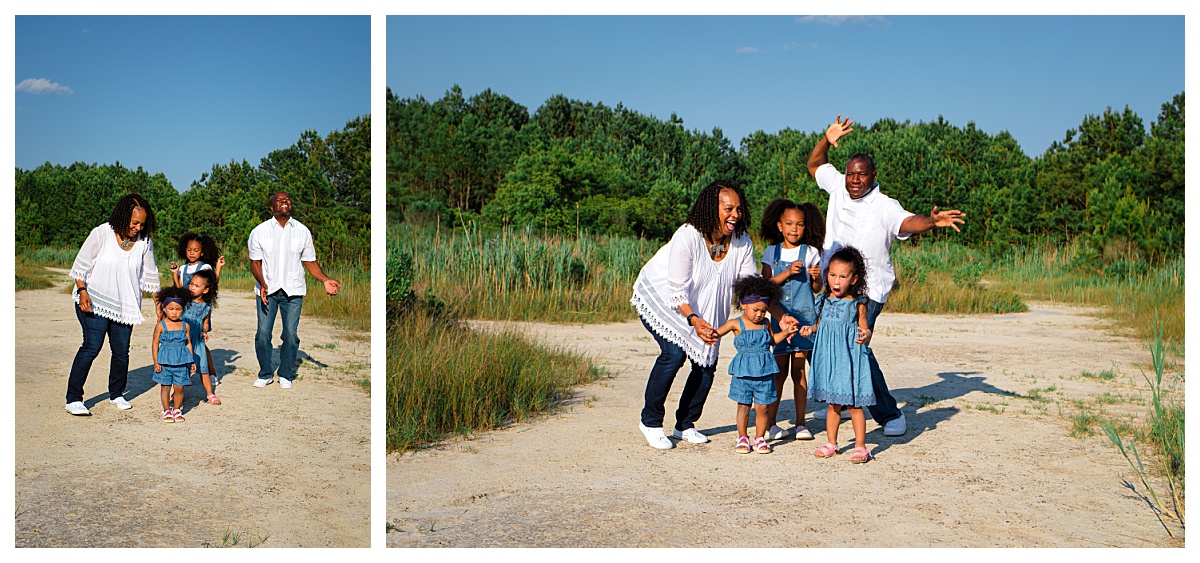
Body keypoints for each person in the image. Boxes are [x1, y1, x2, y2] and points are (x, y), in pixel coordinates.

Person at [807, 115, 966, 436]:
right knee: (822, 340)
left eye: (861, 174)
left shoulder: (884, 205)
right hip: (834, 284)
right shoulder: (838, 186)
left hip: (868, 289)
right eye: (851, 173)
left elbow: (907, 222)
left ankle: (890, 414)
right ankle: (842, 398)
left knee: (856, 346)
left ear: (873, 176)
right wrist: (826, 139)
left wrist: (931, 222)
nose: (854, 180)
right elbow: (814, 164)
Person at [630, 180, 797, 450]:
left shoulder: (741, 241)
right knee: (674, 355)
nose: (735, 215)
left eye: (739, 209)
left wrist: (780, 316)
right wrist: (693, 319)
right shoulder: (689, 235)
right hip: (666, 299)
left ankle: (685, 424)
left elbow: (753, 288)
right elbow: (676, 289)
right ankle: (650, 421)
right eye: (728, 209)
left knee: (706, 364)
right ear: (711, 208)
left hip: (705, 308)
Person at [65, 194, 161, 416]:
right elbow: (81, 266)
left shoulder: (145, 242)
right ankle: (74, 399)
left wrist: (158, 304)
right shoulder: (102, 233)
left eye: (142, 224)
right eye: (134, 223)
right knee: (92, 346)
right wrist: (82, 291)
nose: (138, 228)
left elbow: (151, 275)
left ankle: (116, 394)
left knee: (121, 352)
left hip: (124, 305)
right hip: (94, 300)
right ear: (123, 216)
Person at [248, 191, 342, 389]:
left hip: (293, 291)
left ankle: (285, 374)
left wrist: (325, 280)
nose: (284, 202)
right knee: (263, 333)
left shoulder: (302, 231)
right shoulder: (259, 231)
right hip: (267, 291)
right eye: (279, 200)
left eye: (287, 199)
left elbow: (310, 261)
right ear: (272, 208)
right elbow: (255, 263)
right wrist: (263, 283)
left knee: (290, 334)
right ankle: (265, 373)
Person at [800, 247, 875, 463]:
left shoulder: (857, 304)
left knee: (854, 405)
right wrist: (810, 329)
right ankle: (831, 443)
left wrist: (866, 335)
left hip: (848, 361)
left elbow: (865, 329)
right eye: (832, 275)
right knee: (832, 404)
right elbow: (820, 325)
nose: (836, 281)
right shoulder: (824, 300)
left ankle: (861, 446)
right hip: (829, 360)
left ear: (854, 279)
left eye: (843, 276)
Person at [759, 199, 824, 441]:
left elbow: (816, 288)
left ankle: (800, 423)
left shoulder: (811, 252)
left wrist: (816, 277)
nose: (794, 229)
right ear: (779, 226)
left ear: (805, 227)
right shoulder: (771, 252)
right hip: (780, 317)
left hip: (804, 317)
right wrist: (787, 272)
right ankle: (771, 424)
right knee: (778, 373)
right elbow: (766, 286)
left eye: (799, 224)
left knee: (799, 371)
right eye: (789, 224)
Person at [713, 276, 798, 454]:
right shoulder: (735, 323)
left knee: (763, 407)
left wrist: (786, 332)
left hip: (765, 373)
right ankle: (742, 437)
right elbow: (717, 333)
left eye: (763, 311)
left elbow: (772, 340)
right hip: (743, 374)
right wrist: (708, 333)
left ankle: (760, 438)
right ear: (743, 304)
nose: (759, 314)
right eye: (755, 310)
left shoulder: (765, 324)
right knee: (743, 407)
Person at [168, 233, 223, 386]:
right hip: (186, 310)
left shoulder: (205, 267)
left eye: (196, 250)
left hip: (199, 310)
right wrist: (175, 274)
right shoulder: (183, 268)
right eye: (189, 250)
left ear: (202, 252)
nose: (192, 253)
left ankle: (210, 371)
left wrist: (218, 268)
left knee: (200, 343)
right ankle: (186, 372)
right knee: (185, 341)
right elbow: (180, 288)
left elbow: (212, 283)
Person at [152, 287, 197, 423]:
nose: (174, 312)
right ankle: (167, 410)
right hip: (164, 363)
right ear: (164, 309)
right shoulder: (161, 326)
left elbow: (188, 344)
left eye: (178, 309)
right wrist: (156, 362)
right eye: (171, 309)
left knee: (179, 388)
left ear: (183, 310)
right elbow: (155, 343)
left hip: (181, 363)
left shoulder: (185, 326)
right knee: (165, 387)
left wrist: (191, 361)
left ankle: (177, 409)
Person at [184, 269, 220, 405]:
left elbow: (205, 323)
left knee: (203, 368)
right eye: (191, 284)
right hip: (183, 340)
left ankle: (210, 394)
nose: (192, 287)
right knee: (182, 368)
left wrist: (204, 331)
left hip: (198, 341)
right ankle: (177, 392)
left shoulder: (206, 305)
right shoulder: (184, 300)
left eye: (196, 285)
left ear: (205, 290)